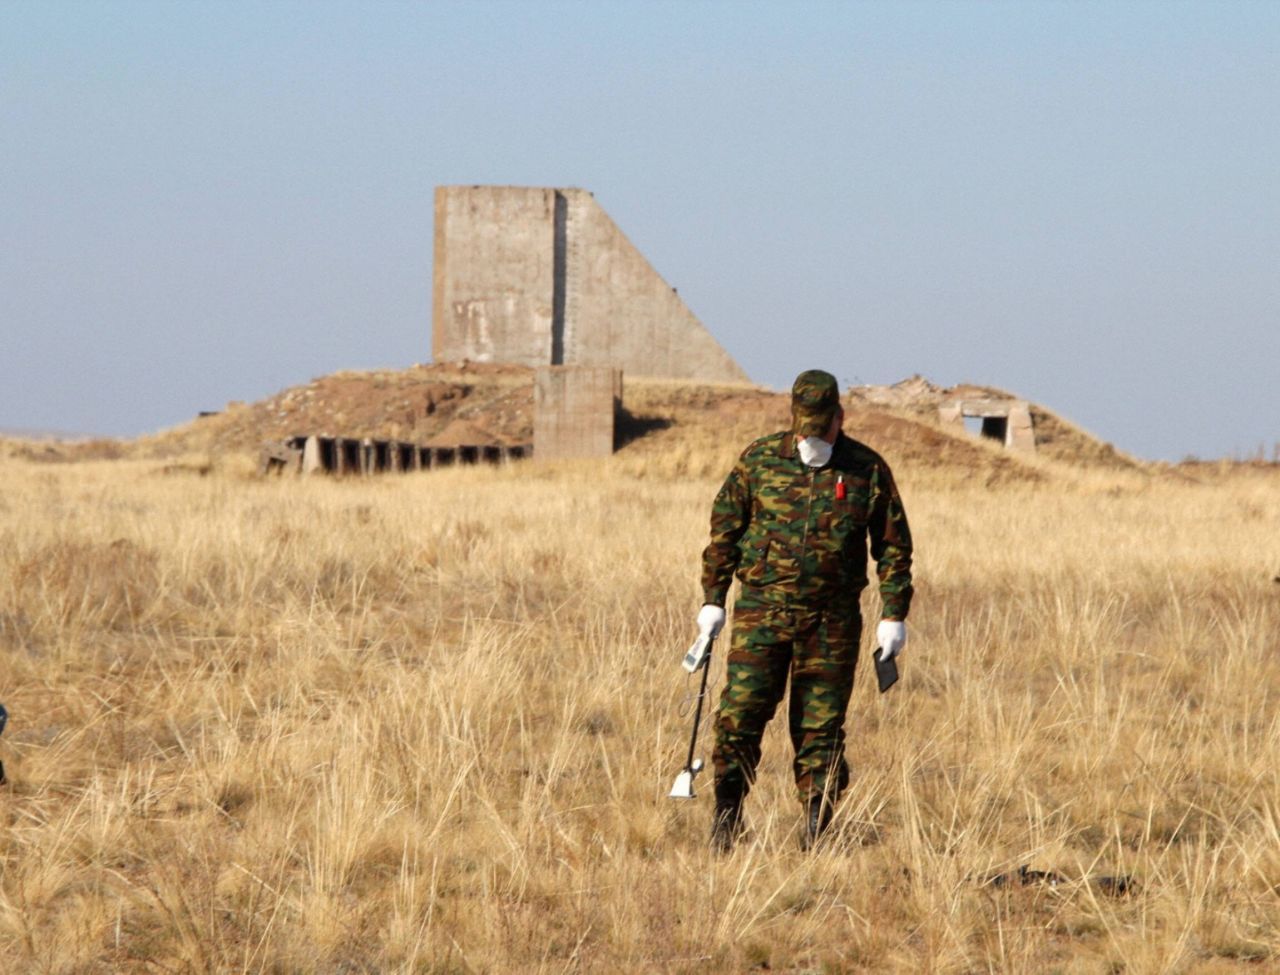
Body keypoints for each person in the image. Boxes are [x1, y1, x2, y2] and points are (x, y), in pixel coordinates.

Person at [696, 369, 913, 851]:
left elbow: (893, 548)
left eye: (822, 425)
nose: (812, 435)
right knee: (740, 716)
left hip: (831, 623)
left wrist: (893, 614)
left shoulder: (866, 469)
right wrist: (713, 599)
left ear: (840, 416)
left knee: (819, 728)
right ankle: (726, 819)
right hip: (761, 615)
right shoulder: (759, 461)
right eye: (805, 426)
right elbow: (724, 533)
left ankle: (816, 831)